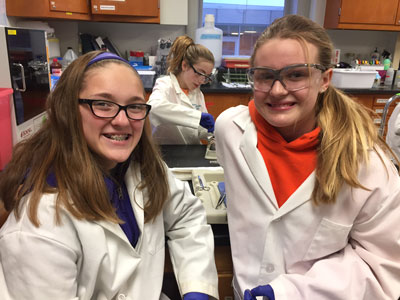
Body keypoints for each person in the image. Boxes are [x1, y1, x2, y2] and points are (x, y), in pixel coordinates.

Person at [0, 51, 219, 300]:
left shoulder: (142, 168)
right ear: (68, 109)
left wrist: (198, 287)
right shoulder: (38, 224)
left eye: (134, 106)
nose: (123, 120)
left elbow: (186, 215)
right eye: (103, 104)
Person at [214, 14, 400, 300]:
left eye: (296, 74)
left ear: (325, 79)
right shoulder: (230, 130)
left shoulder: (367, 163)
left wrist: (291, 292)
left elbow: (382, 266)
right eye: (265, 75)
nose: (277, 90)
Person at [147, 35, 215, 145]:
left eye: (206, 77)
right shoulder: (165, 84)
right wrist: (197, 116)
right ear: (185, 65)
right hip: (166, 153)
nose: (202, 81)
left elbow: (199, 129)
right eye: (199, 73)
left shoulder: (197, 93)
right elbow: (153, 108)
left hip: (190, 151)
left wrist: (211, 133)